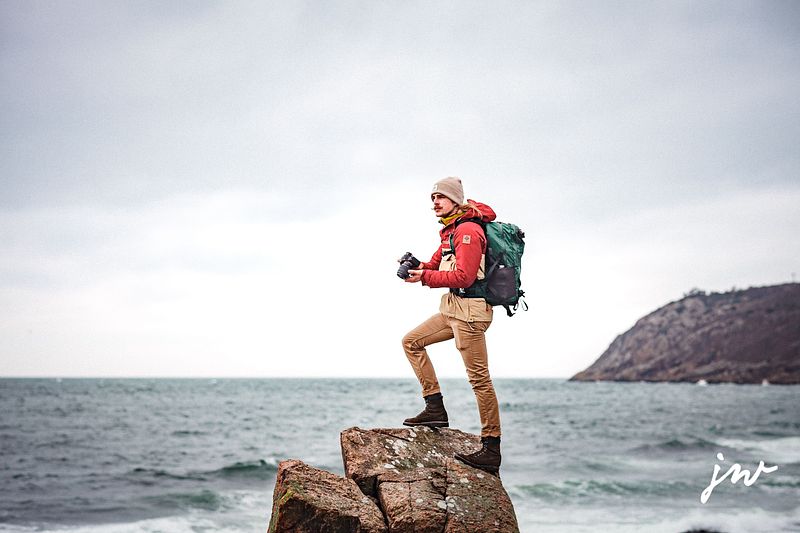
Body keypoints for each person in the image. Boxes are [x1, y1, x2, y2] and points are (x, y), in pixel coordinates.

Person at [399, 176, 503, 475]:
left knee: (479, 380)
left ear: (455, 200)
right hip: (452, 309)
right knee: (411, 341)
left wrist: (425, 279)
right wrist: (416, 267)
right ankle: (435, 408)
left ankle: (491, 447)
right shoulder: (450, 230)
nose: (434, 202)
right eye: (432, 197)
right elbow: (434, 265)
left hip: (470, 313)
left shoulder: (468, 231)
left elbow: (465, 278)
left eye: (440, 197)